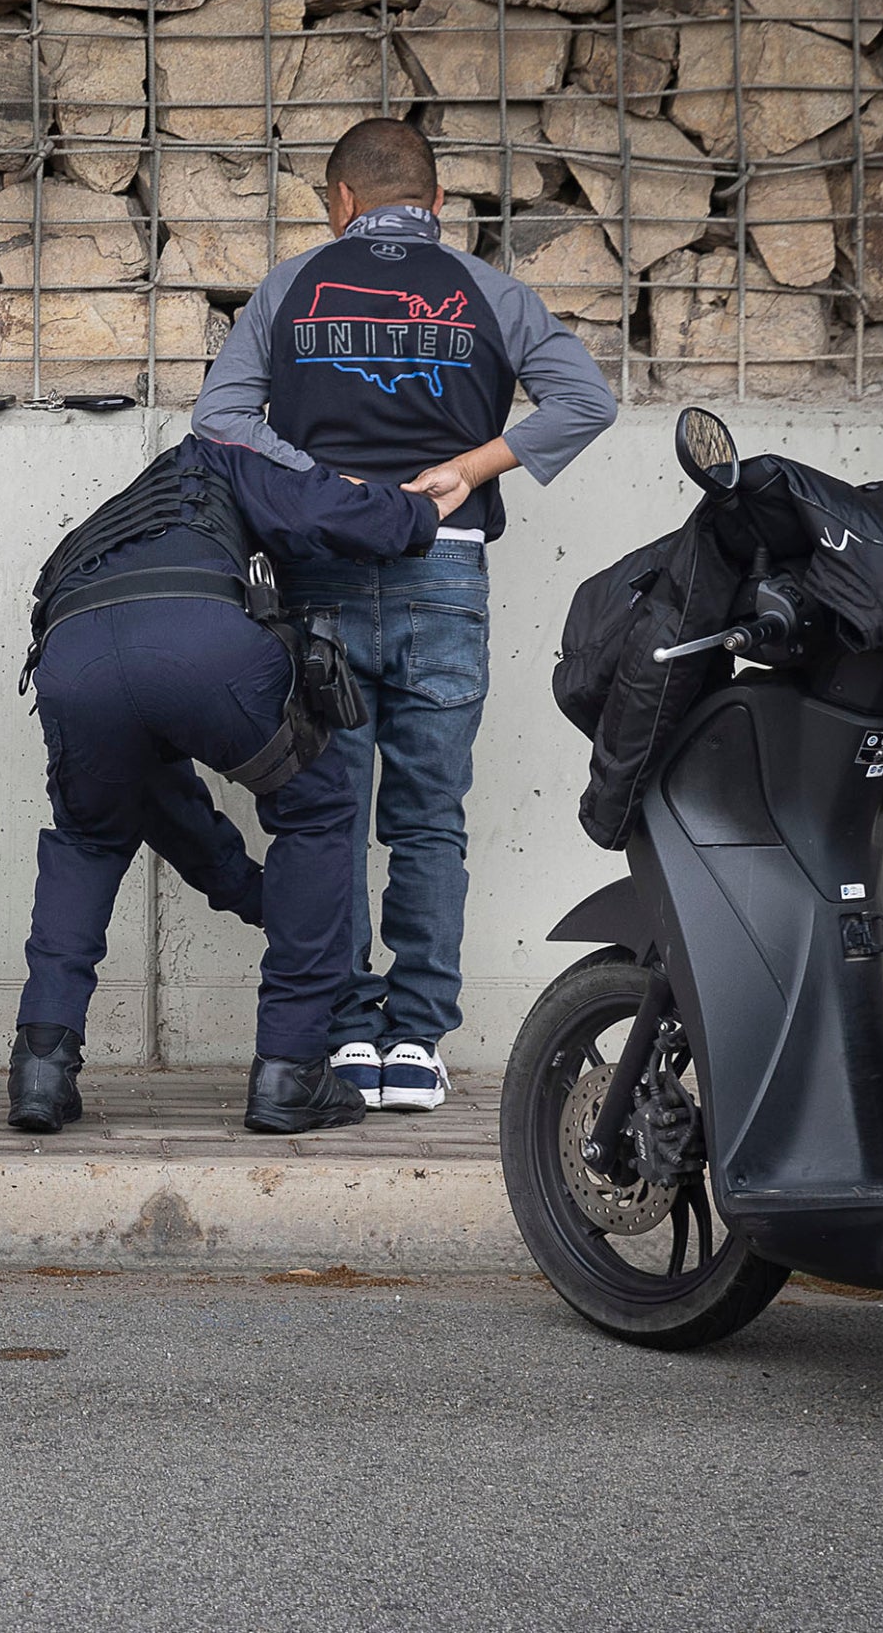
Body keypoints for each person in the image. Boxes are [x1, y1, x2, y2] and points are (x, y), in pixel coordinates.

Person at [191, 116, 618, 1113]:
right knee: (430, 819)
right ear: (435, 202)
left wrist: (324, 481)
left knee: (329, 817)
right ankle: (416, 1043)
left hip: (320, 573)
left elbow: (220, 420)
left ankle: (347, 1036)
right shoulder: (491, 292)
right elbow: (584, 401)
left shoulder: (290, 286)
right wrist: (470, 468)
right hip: (446, 569)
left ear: (339, 201)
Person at [12, 433, 456, 1136]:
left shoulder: (110, 522)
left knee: (89, 840)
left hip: (73, 658)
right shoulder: (217, 458)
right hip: (203, 640)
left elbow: (168, 809)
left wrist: (260, 898)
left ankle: (40, 1069)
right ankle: (291, 1068)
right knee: (316, 812)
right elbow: (325, 511)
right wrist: (421, 512)